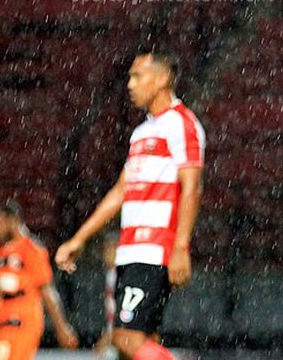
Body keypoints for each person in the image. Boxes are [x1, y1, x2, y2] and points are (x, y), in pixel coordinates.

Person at [55, 53, 206, 360]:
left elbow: (192, 187)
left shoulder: (181, 124)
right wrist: (79, 238)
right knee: (137, 343)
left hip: (154, 249)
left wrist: (181, 246)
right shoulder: (142, 133)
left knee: (125, 339)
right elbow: (121, 191)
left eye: (137, 77)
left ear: (162, 79)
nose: (130, 85)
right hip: (131, 250)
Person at [0, 200, 79, 360]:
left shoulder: (31, 249)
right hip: (4, 323)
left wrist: (62, 327)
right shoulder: (2, 252)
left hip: (24, 322)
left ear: (13, 221)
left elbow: (46, 288)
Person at [95, 232, 119, 360]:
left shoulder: (121, 275)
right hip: (116, 333)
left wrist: (108, 336)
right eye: (105, 249)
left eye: (111, 249)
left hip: (122, 333)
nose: (106, 253)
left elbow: (121, 311)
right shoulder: (110, 274)